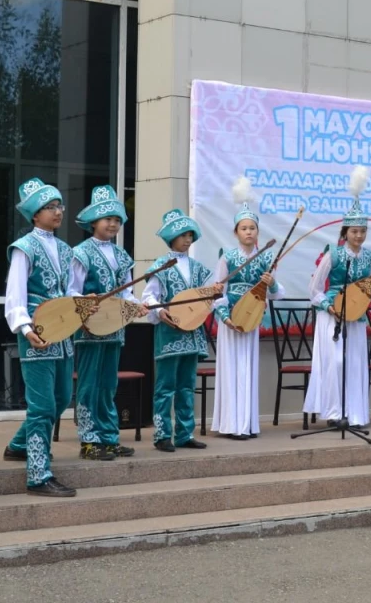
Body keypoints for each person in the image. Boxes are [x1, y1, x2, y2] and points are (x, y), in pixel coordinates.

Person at [3, 178, 77, 497]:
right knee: (43, 405)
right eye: (50, 207)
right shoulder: (24, 248)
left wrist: (83, 306)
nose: (58, 211)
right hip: (37, 330)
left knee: (61, 398)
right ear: (35, 214)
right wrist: (25, 328)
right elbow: (15, 295)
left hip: (64, 332)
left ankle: (19, 445)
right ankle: (38, 473)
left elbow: (71, 290)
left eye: (59, 205)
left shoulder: (65, 248)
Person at [68, 185, 146, 460]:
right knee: (89, 384)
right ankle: (89, 440)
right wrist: (86, 300)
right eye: (107, 219)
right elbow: (71, 291)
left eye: (117, 219)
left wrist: (135, 305)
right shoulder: (80, 253)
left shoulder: (123, 255)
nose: (112, 224)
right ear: (93, 222)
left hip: (115, 327)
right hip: (89, 329)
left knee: (108, 384)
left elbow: (126, 292)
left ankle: (109, 437)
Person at [305, 166, 371, 429]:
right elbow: (314, 289)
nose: (358, 235)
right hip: (333, 317)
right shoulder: (333, 255)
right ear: (345, 232)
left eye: (362, 231)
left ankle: (355, 413)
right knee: (336, 363)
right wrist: (330, 307)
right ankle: (333, 412)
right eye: (354, 231)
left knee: (354, 364)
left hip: (356, 316)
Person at [142, 209, 220, 452]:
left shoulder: (198, 268)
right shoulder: (160, 266)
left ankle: (185, 433)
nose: (187, 239)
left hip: (192, 332)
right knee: (165, 386)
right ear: (171, 238)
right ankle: (162, 434)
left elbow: (209, 300)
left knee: (187, 386)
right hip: (169, 334)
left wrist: (216, 294)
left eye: (189, 235)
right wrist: (159, 311)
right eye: (182, 235)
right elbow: (149, 297)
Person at [211, 177, 282, 440]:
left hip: (251, 318)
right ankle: (231, 424)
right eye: (244, 228)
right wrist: (225, 318)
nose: (249, 232)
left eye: (252, 228)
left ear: (258, 232)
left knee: (248, 369)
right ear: (236, 232)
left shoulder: (265, 258)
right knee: (232, 369)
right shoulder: (227, 257)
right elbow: (218, 292)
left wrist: (271, 283)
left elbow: (276, 294)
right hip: (231, 320)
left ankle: (248, 424)